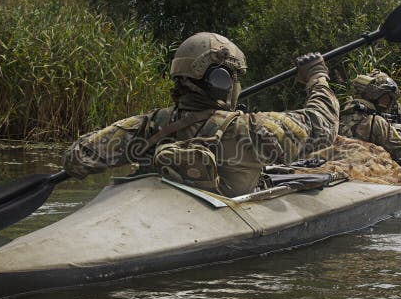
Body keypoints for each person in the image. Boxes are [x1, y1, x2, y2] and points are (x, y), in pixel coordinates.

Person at [63, 32, 340, 196]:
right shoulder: (250, 130)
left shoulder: (147, 126)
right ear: (222, 81)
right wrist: (317, 76)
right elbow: (323, 126)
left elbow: (76, 158)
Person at [339, 70, 401, 169]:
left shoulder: (343, 112)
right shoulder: (377, 121)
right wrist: (397, 132)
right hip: (363, 172)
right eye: (386, 98)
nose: (387, 104)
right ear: (374, 95)